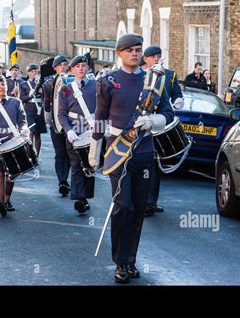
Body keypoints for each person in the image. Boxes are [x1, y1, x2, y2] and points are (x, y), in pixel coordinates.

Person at [89, 34, 174, 283]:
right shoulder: (108, 81)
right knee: (122, 206)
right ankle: (119, 261)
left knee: (137, 208)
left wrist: (154, 120)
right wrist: (94, 152)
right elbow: (100, 118)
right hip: (117, 152)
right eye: (129, 51)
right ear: (119, 54)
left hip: (144, 151)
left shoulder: (154, 81)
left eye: (138, 50)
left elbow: (168, 114)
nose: (135, 54)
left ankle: (130, 261)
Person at [142, 45, 184, 217]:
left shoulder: (170, 75)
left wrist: (179, 100)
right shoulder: (139, 75)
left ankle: (150, 202)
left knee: (156, 164)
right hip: (140, 124)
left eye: (158, 56)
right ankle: (140, 200)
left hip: (159, 125)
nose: (156, 59)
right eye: (153, 57)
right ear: (146, 59)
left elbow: (176, 94)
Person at [0, 75, 29, 216]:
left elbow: (23, 121)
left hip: (13, 141)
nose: (2, 87)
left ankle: (7, 200)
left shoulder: (16, 102)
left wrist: (23, 130)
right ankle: (1, 203)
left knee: (12, 173)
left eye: (3, 84)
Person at [58, 55, 96, 213]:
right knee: (76, 164)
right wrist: (68, 130)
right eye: (77, 66)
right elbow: (61, 114)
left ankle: (85, 196)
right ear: (72, 70)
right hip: (75, 131)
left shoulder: (95, 85)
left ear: (88, 68)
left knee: (91, 164)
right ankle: (80, 198)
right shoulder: (66, 89)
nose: (81, 68)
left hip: (93, 130)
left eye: (83, 66)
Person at [42, 55, 71, 196]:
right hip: (56, 122)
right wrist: (47, 114)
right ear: (54, 68)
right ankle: (62, 181)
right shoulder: (49, 83)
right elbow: (47, 101)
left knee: (70, 152)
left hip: (71, 123)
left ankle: (66, 178)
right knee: (60, 153)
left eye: (65, 64)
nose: (63, 66)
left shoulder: (72, 81)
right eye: (60, 65)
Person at [19, 63, 47, 156]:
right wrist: (30, 95)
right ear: (28, 73)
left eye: (36, 71)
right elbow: (22, 98)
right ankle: (30, 154)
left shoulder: (42, 84)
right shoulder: (24, 84)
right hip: (29, 110)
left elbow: (46, 97)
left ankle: (37, 155)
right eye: (32, 71)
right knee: (30, 132)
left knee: (38, 134)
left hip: (38, 110)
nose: (34, 73)